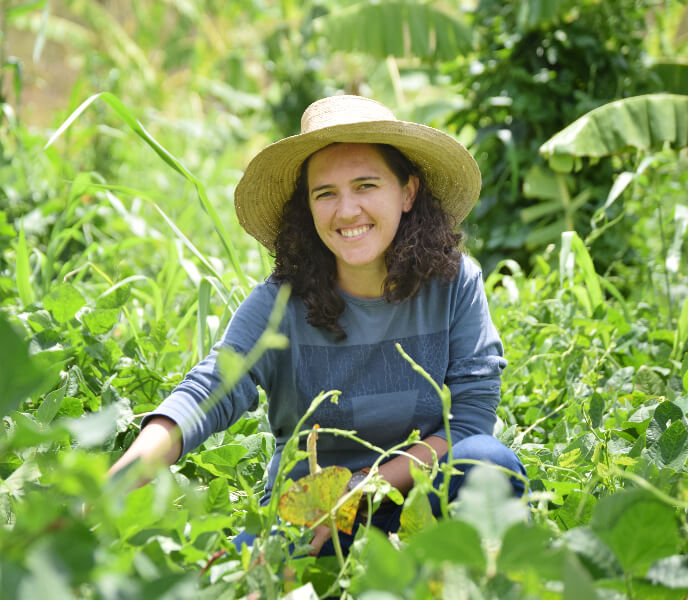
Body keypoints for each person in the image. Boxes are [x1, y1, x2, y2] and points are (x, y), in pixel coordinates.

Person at [108, 94, 526, 556]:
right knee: (239, 573)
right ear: (307, 208)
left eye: (366, 186)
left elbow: (468, 425)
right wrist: (122, 477)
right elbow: (211, 388)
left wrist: (366, 489)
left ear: (407, 192)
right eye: (325, 193)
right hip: (312, 515)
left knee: (491, 465)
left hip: (420, 507)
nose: (346, 211)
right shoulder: (281, 304)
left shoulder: (453, 286)